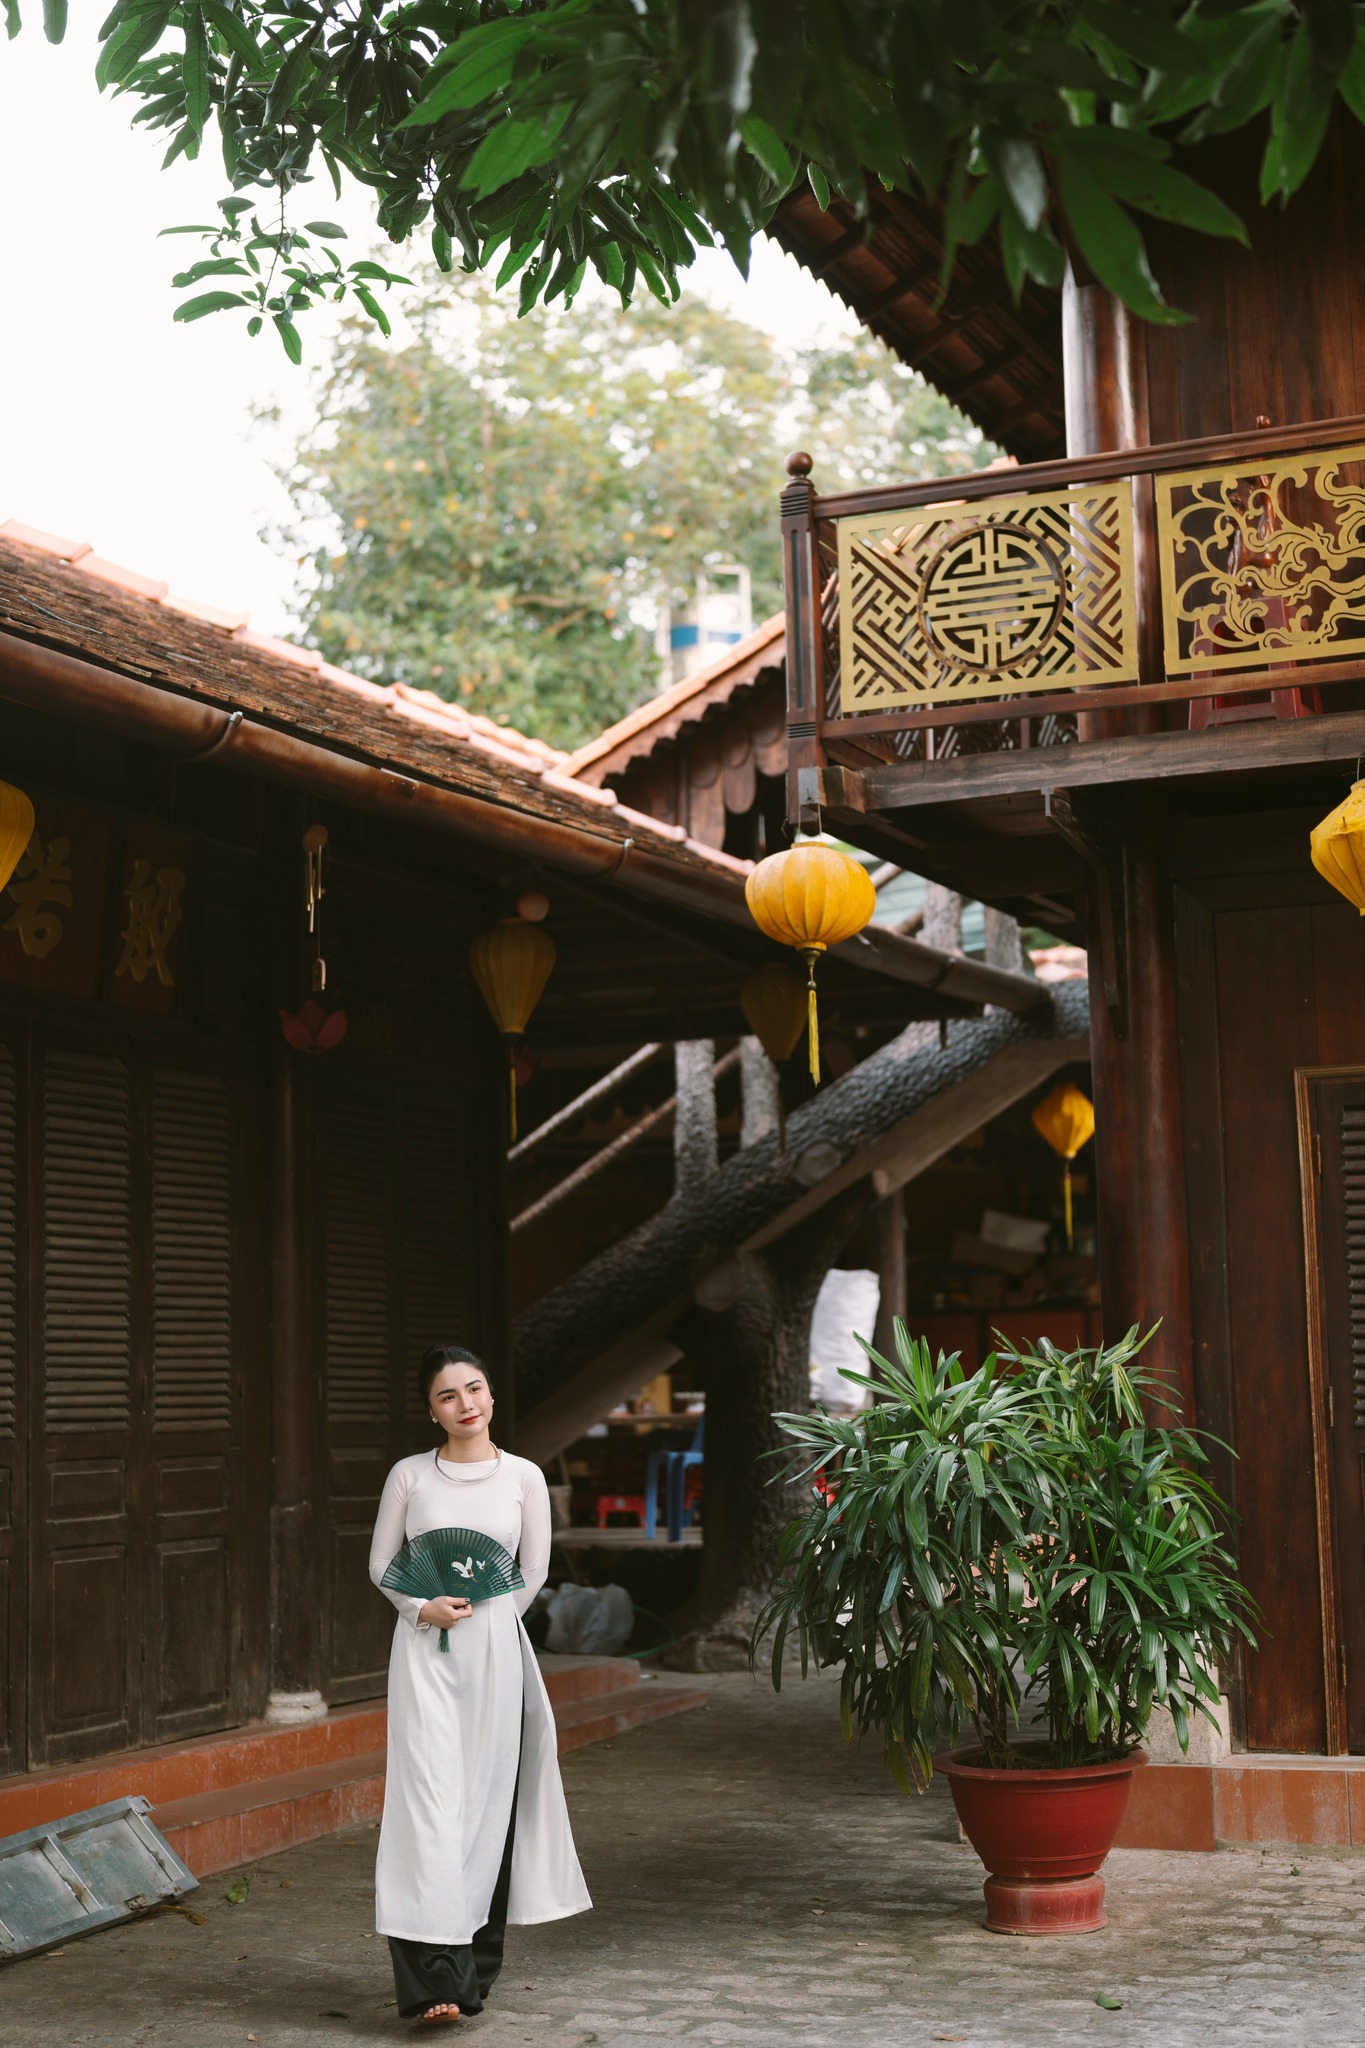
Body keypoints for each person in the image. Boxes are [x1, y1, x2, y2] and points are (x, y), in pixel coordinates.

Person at [368, 1342, 592, 2024]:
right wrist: (422, 1608)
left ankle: (471, 1973)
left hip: (496, 1655)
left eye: (473, 1389)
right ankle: (432, 1980)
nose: (464, 1404)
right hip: (423, 1656)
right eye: (447, 1395)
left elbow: (533, 1569)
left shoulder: (523, 1476)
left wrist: (487, 1619)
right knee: (427, 1805)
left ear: (491, 1395)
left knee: (489, 1805)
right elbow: (382, 1564)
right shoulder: (409, 1475)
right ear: (431, 1411)